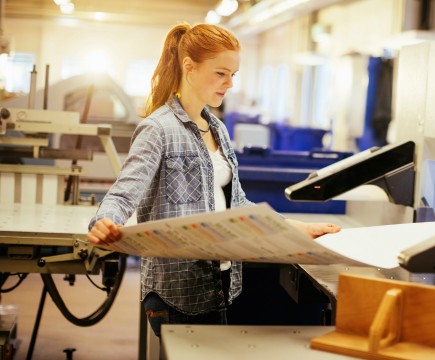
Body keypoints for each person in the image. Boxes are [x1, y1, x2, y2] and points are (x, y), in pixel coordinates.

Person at [86, 23, 341, 337]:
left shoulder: (217, 128)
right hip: (176, 290)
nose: (230, 83)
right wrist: (105, 220)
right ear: (189, 67)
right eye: (221, 73)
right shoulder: (158, 129)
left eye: (233, 74)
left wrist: (298, 229)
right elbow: (125, 193)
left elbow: (237, 203)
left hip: (217, 283)